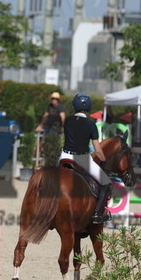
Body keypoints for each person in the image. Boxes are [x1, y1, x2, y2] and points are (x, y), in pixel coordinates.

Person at [59, 94, 112, 224]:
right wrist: (104, 161)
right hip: (82, 159)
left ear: (74, 106)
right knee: (106, 182)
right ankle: (97, 214)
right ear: (88, 107)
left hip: (64, 156)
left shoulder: (67, 120)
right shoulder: (91, 124)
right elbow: (98, 150)